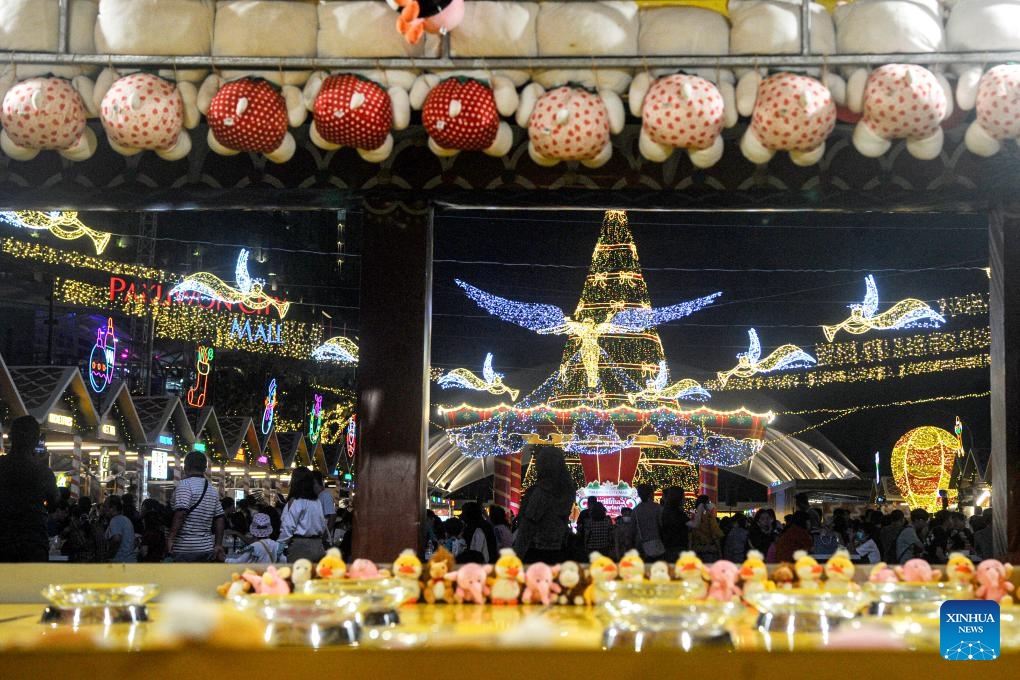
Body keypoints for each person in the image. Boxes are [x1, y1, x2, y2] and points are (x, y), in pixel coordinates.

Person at [0, 415, 58, 562]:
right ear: (35, 439)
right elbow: (54, 502)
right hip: (33, 543)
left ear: (11, 437)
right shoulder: (42, 471)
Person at [512, 446, 576, 564]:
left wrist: (517, 555)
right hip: (558, 549)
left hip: (536, 550)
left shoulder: (542, 491)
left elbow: (528, 526)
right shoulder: (567, 491)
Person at [166, 451, 225, 562]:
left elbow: (181, 513)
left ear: (185, 466)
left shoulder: (184, 485)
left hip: (185, 548)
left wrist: (170, 538)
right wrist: (218, 544)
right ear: (205, 468)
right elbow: (220, 518)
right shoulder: (212, 489)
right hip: (207, 548)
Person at [279, 466, 327, 563]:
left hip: (300, 547)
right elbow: (322, 524)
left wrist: (279, 545)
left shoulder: (296, 502)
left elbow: (288, 527)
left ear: (295, 482)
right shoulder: (316, 501)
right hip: (318, 545)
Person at [633, 483, 666, 562]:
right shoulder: (658, 508)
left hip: (641, 544)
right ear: (651, 494)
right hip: (658, 543)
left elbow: (632, 529)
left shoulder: (636, 510)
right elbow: (662, 525)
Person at [687, 494, 723, 563]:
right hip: (708, 549)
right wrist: (719, 551)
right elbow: (715, 533)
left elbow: (690, 534)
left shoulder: (693, 516)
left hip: (696, 549)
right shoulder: (709, 516)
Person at [659, 487, 689, 562]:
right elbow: (694, 524)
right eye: (683, 496)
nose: (684, 499)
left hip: (667, 547)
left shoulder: (665, 511)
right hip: (678, 548)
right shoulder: (678, 513)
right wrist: (700, 507)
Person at [104, 494, 137, 563]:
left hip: (120, 561)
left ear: (112, 508)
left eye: (106, 506)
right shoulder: (125, 519)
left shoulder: (115, 520)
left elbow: (116, 539)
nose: (104, 509)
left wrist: (109, 555)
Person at [312, 470, 337, 545]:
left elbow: (332, 516)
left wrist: (324, 537)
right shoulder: (319, 496)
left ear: (314, 481)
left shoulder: (325, 495)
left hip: (322, 540)